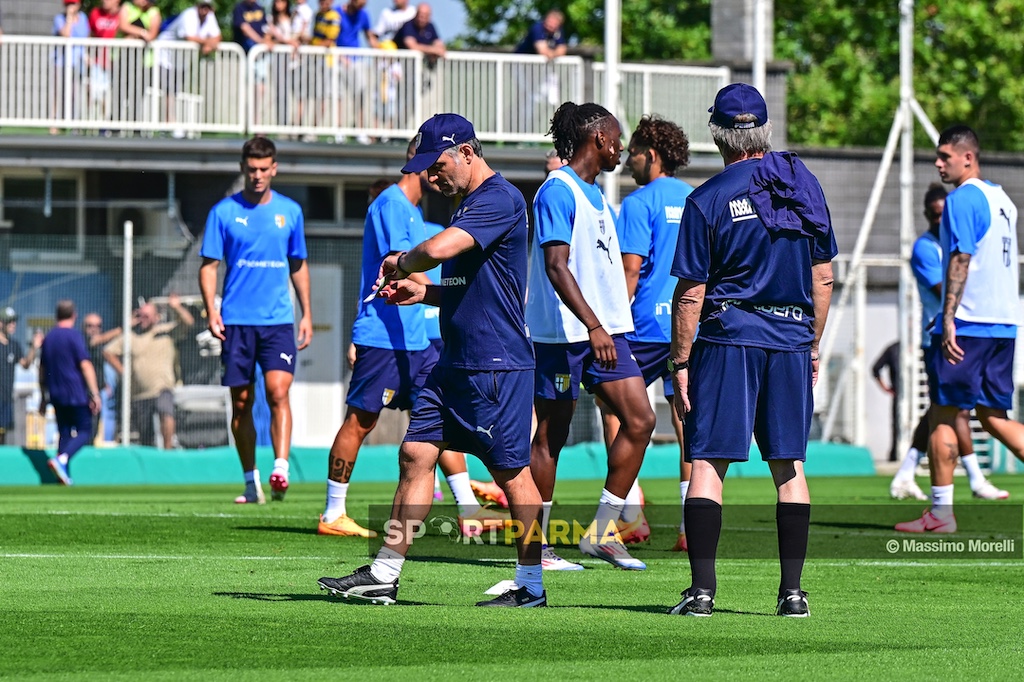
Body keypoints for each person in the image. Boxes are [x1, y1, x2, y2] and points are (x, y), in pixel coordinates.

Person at [318, 113, 546, 608]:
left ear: (466, 152)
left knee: (512, 476)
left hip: (495, 366)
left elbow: (439, 250)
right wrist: (423, 294)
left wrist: (403, 261)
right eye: (425, 168)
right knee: (415, 454)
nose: (429, 176)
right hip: (454, 364)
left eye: (437, 164)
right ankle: (383, 573)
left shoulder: (497, 199)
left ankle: (530, 584)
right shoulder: (466, 204)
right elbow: (469, 290)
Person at [667, 83, 836, 618]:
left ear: (717, 133)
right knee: (789, 466)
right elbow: (825, 278)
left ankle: (702, 593)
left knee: (709, 463)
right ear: (764, 130)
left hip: (729, 339)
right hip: (789, 338)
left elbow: (691, 291)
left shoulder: (707, 198)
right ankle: (792, 594)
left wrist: (680, 362)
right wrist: (811, 344)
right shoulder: (803, 186)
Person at [319, 139, 508, 537]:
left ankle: (468, 509)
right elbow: (403, 265)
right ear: (421, 166)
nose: (439, 175)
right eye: (435, 166)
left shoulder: (414, 213)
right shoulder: (390, 203)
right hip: (383, 336)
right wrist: (458, 294)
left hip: (417, 340)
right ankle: (333, 512)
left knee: (441, 421)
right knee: (361, 420)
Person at [526, 101, 656, 572]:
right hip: (563, 336)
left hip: (607, 335)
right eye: (616, 137)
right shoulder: (556, 191)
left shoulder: (597, 194)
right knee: (550, 436)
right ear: (598, 138)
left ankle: (602, 531)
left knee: (640, 421)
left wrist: (608, 326)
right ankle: (535, 547)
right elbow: (556, 267)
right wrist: (594, 325)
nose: (621, 146)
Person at [896, 125, 1024, 534]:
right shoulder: (1002, 198)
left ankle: (941, 513)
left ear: (967, 157)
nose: (938, 163)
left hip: (968, 324)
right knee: (992, 416)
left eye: (944, 156)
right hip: (1004, 323)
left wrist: (948, 318)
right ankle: (943, 510)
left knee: (943, 414)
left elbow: (961, 259)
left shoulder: (962, 199)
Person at [596, 114, 694, 551]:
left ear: (650, 156)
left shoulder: (638, 202)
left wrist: (610, 324)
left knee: (612, 405)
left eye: (633, 152)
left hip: (643, 325)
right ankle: (692, 527)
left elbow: (629, 271)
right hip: (688, 327)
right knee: (689, 422)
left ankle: (628, 515)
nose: (628, 160)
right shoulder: (695, 198)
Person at [199, 136, 313, 504]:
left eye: (265, 169)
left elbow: (298, 264)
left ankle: (280, 467)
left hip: (278, 320)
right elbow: (209, 266)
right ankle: (251, 482)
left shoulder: (290, 212)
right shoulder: (223, 212)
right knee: (242, 402)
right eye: (252, 169)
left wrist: (307, 313)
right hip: (236, 321)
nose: (258, 175)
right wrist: (211, 310)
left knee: (279, 391)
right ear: (243, 169)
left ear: (274, 168)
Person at [889, 184, 1008, 501]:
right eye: (936, 214)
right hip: (939, 338)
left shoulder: (957, 242)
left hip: (967, 333)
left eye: (946, 214)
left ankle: (908, 474)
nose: (942, 219)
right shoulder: (926, 248)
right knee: (953, 412)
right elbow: (949, 291)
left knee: (949, 410)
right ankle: (974, 481)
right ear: (928, 214)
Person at [104, 296, 195, 449]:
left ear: (156, 317)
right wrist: (123, 372)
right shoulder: (131, 337)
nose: (142, 319)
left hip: (162, 388)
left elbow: (188, 322)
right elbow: (108, 351)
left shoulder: (165, 333)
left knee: (166, 411)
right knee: (145, 435)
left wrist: (176, 307)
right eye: (140, 315)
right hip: (139, 393)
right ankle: (151, 462)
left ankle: (168, 450)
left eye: (146, 315)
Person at [38, 300, 101, 486]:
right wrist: (95, 393)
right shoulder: (74, 336)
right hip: (75, 392)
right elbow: (85, 365)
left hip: (56, 393)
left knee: (64, 432)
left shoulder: (48, 338)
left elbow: (42, 370)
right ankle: (62, 459)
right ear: (74, 315)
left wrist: (43, 395)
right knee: (85, 430)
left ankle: (62, 474)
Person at [157, 0, 222, 137]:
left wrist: (210, 44)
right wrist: (209, 43)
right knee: (168, 90)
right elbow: (189, 37)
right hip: (165, 56)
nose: (205, 10)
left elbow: (217, 36)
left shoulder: (210, 17)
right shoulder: (189, 15)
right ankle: (167, 124)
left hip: (181, 60)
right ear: (197, 6)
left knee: (176, 91)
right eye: (202, 6)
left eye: (208, 7)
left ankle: (173, 124)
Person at [513, 9, 567, 130]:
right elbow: (542, 50)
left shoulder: (558, 32)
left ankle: (534, 130)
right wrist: (553, 53)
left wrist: (551, 54)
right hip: (522, 67)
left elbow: (562, 50)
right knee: (528, 99)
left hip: (538, 70)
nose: (550, 25)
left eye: (554, 23)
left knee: (549, 99)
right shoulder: (537, 28)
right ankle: (523, 132)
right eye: (549, 22)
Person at [1, 307, 43, 445]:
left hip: (6, 398)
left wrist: (34, 347)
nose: (13, 324)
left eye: (14, 321)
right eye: (9, 321)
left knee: (4, 434)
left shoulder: (14, 345)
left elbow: (25, 364)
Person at [51, 0, 92, 135]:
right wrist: (69, 18)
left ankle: (76, 124)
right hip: (62, 62)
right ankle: (55, 123)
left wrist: (86, 56)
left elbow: (85, 38)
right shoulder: (59, 19)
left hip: (78, 62)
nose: (71, 7)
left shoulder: (83, 18)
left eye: (73, 4)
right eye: (68, 4)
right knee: (58, 93)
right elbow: (66, 34)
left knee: (77, 94)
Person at [396, 3, 444, 114]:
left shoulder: (430, 26)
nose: (422, 18)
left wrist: (437, 50)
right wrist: (433, 50)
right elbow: (412, 46)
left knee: (413, 99)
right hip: (398, 67)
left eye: (425, 15)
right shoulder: (408, 25)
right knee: (395, 101)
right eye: (420, 15)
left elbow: (440, 45)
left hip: (416, 72)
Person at [82, 312, 121, 444]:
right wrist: (123, 328)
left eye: (98, 326)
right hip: (83, 394)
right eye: (90, 326)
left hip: (97, 394)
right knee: (85, 429)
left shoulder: (98, 348)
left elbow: (97, 367)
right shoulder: (82, 341)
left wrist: (104, 384)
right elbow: (97, 340)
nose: (94, 329)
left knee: (94, 428)